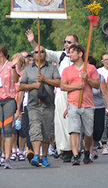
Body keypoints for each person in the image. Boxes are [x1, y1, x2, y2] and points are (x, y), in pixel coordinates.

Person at [26, 29, 78, 162]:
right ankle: (65, 149)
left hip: (77, 91)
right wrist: (33, 42)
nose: (66, 44)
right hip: (62, 92)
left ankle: (77, 149)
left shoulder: (80, 56)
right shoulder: (60, 55)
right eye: (65, 42)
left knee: (76, 122)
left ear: (76, 44)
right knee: (62, 122)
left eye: (69, 42)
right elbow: (44, 53)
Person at [19, 46, 61, 167]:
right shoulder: (28, 70)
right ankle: (36, 155)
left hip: (48, 104)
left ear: (45, 54)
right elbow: (21, 86)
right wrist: (34, 86)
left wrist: (45, 79)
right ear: (33, 55)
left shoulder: (52, 68)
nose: (40, 54)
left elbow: (59, 82)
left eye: (42, 52)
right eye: (36, 52)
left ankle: (45, 156)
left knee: (47, 132)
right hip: (33, 105)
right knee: (35, 128)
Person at [61, 44, 100, 166]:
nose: (70, 54)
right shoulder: (67, 70)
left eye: (72, 52)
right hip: (73, 104)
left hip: (88, 105)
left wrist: (87, 79)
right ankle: (75, 155)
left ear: (80, 54)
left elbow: (97, 85)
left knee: (88, 133)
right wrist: (76, 86)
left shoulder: (91, 68)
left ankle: (87, 152)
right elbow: (63, 86)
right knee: (74, 130)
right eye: (69, 52)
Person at [87, 56, 108, 161]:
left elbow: (106, 93)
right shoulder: (81, 76)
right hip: (87, 106)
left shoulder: (100, 77)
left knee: (99, 129)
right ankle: (89, 150)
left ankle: (95, 145)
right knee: (88, 130)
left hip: (99, 106)